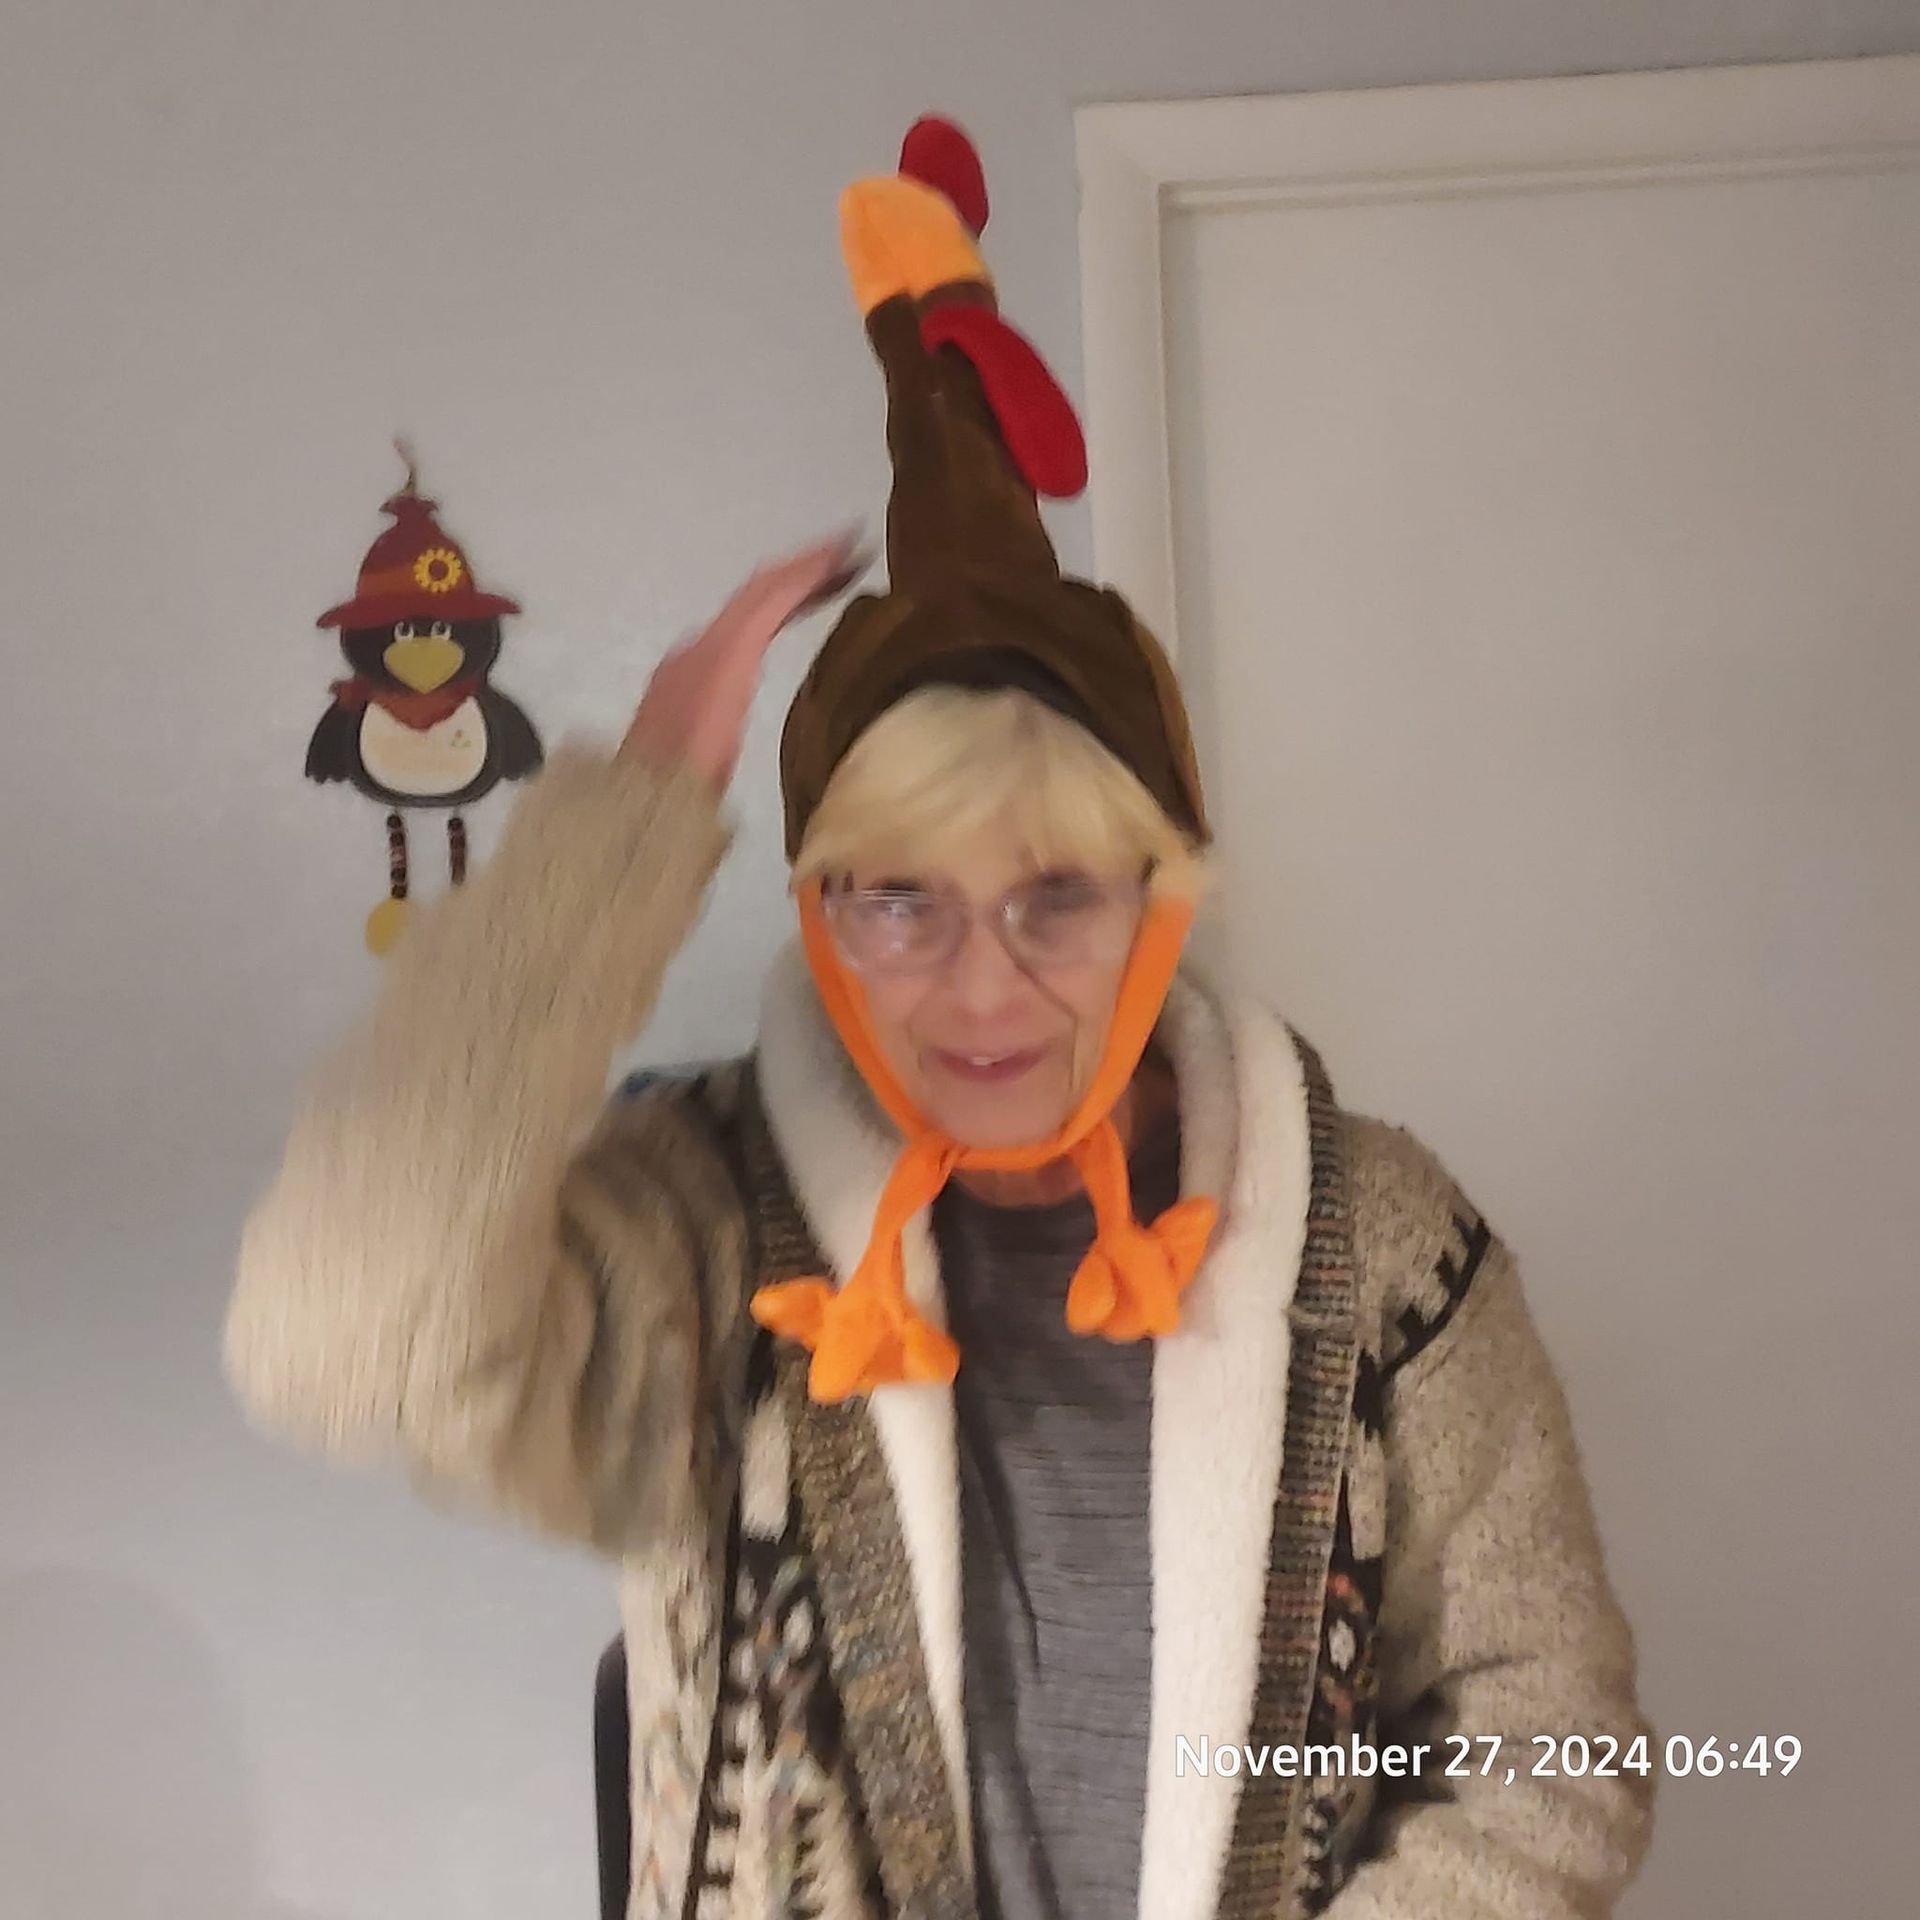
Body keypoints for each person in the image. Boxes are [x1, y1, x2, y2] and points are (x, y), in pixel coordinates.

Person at [225, 116, 1653, 1920]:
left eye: (1056, 895)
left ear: (1163, 894)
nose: (982, 993)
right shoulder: (692, 1226)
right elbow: (343, 1337)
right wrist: (633, 815)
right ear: (817, 912)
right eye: (898, 900)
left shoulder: (1382, 1248)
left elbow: (1559, 1740)